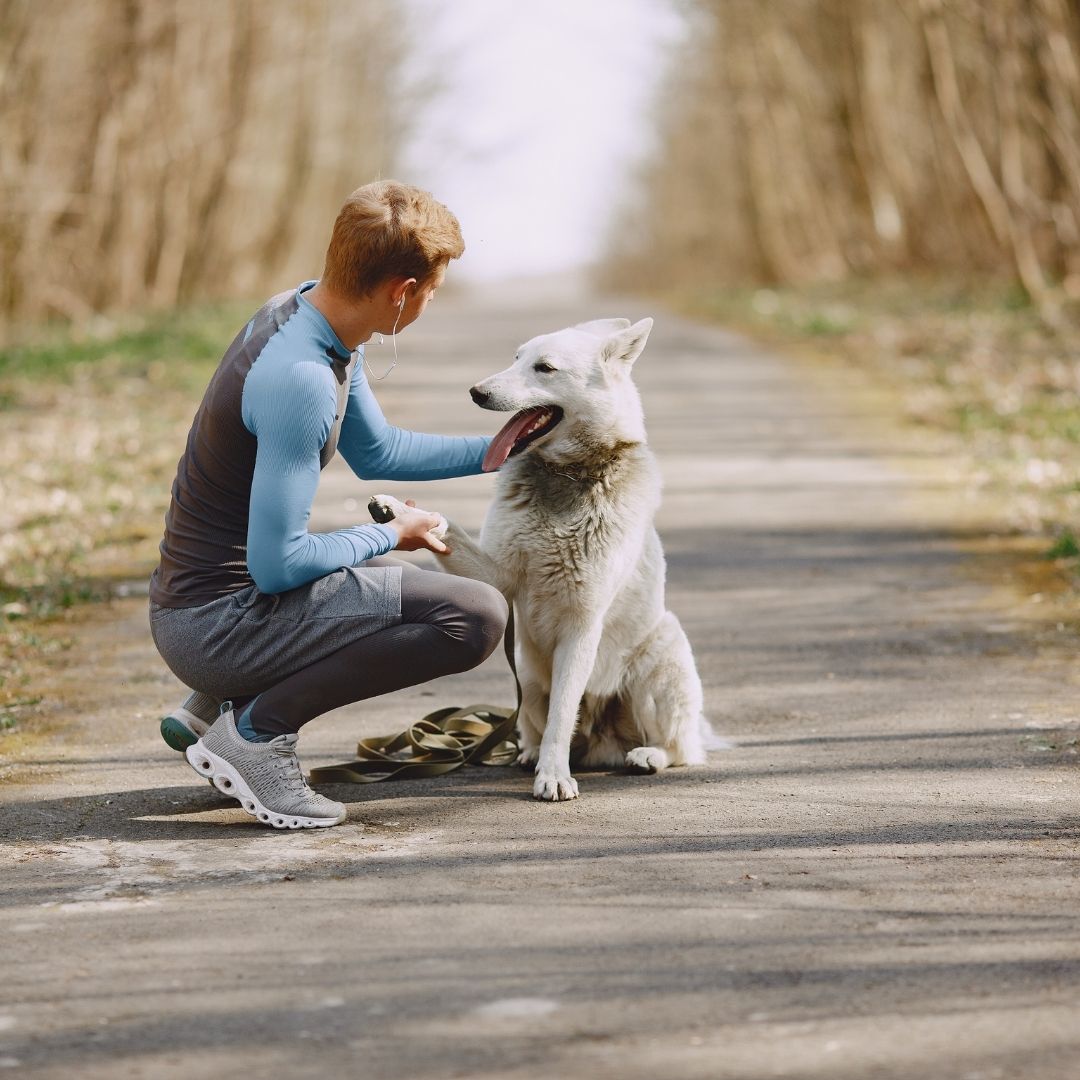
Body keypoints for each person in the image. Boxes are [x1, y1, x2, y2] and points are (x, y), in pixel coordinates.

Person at [148, 180, 508, 830]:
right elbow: (278, 566)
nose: (430, 302)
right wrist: (390, 532)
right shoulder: (303, 381)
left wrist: (500, 450)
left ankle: (209, 708)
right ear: (402, 290)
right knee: (473, 615)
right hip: (215, 623)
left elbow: (380, 453)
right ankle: (256, 732)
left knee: (399, 587)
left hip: (197, 603)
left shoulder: (309, 315)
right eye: (432, 291)